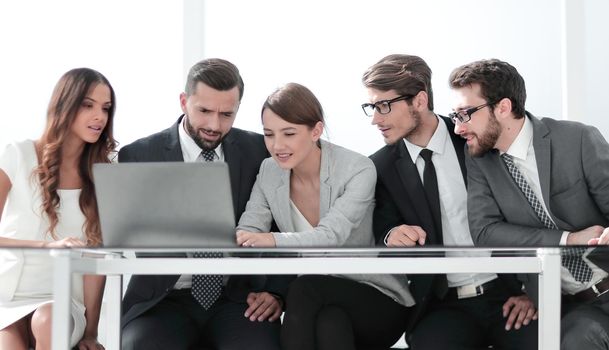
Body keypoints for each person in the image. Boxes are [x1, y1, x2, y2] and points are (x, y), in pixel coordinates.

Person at [362, 54, 538, 349]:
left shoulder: (476, 138)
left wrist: (533, 291)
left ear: (419, 100)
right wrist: (391, 235)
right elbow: (382, 226)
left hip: (508, 293)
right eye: (371, 107)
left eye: (383, 106)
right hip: (443, 305)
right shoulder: (378, 167)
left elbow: (528, 211)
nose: (375, 119)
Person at [118, 58, 290, 350]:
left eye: (226, 114)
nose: (214, 124)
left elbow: (283, 225)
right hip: (163, 300)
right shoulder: (139, 155)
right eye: (205, 111)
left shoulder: (258, 152)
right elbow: (129, 237)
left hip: (238, 298)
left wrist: (277, 293)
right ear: (184, 101)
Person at [236, 82, 413, 350]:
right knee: (331, 325)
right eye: (269, 134)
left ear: (316, 130)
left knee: (304, 288)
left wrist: (269, 240)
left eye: (289, 133)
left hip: (377, 297)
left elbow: (330, 237)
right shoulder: (269, 171)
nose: (277, 145)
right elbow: (249, 228)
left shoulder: (357, 169)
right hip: (321, 303)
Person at [449, 58, 609, 349]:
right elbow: (484, 232)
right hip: (576, 307)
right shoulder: (480, 162)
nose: (458, 128)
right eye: (455, 115)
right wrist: (567, 239)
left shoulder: (577, 139)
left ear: (503, 107)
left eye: (465, 114)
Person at [0, 68, 115, 350]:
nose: (100, 116)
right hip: (8, 298)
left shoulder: (104, 173)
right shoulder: (17, 154)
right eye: (88, 105)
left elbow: (95, 264)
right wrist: (48, 245)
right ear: (64, 105)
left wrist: (91, 333)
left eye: (106, 108)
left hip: (62, 302)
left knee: (49, 319)